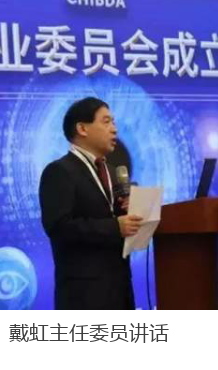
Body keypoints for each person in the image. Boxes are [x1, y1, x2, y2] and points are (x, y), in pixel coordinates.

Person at [39, 97, 143, 309]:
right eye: (106, 122)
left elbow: (115, 222)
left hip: (121, 291)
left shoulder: (114, 173)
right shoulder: (59, 171)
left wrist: (133, 216)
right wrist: (115, 226)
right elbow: (58, 227)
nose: (114, 129)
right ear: (82, 128)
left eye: (114, 122)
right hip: (84, 296)